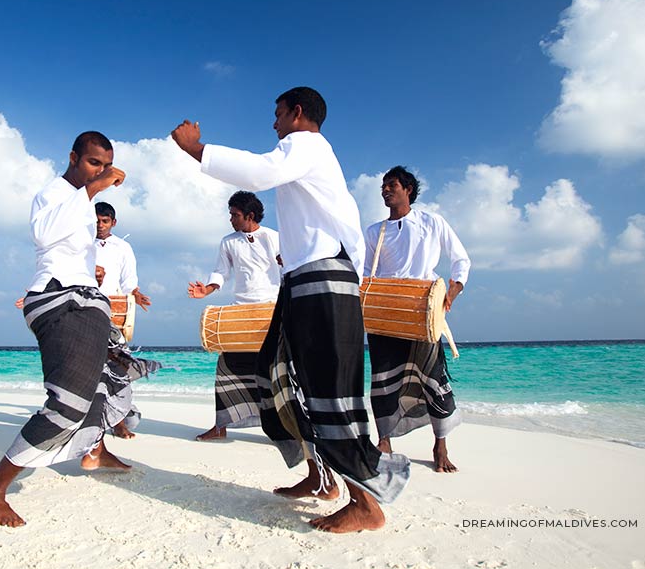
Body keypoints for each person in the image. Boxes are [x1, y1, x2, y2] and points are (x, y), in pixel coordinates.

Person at [171, 87, 409, 533]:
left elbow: (260, 171)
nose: (274, 122)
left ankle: (365, 503)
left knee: (329, 388)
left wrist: (196, 149)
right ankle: (321, 478)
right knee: (279, 376)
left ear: (298, 113)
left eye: (278, 114)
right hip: (302, 281)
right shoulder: (303, 155)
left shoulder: (307, 144)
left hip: (323, 279)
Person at [0, 131, 152, 529]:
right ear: (73, 158)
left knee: (106, 381)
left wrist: (91, 270)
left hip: (87, 299)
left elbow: (67, 249)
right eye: (93, 163)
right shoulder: (54, 193)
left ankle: (95, 450)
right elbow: (45, 235)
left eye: (106, 166)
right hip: (59, 300)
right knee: (67, 403)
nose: (100, 171)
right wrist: (95, 188)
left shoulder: (82, 203)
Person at [363, 166, 470, 473]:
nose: (385, 190)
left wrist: (454, 289)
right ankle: (384, 440)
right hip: (384, 312)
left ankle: (440, 444)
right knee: (383, 379)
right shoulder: (375, 231)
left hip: (422, 311)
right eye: (383, 186)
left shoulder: (431, 222)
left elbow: (461, 258)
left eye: (392, 185)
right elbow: (366, 272)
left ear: (408, 189)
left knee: (433, 377)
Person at [188, 190, 280, 441]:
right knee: (226, 368)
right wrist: (206, 290)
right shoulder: (228, 241)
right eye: (230, 214)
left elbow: (289, 267)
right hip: (240, 311)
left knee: (275, 373)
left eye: (235, 215)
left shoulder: (273, 237)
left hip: (270, 310)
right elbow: (221, 272)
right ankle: (221, 426)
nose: (230, 219)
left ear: (250, 215)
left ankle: (283, 430)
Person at [93, 201, 151, 440]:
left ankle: (118, 421)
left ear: (113, 223)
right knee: (88, 369)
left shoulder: (123, 247)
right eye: (96, 221)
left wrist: (136, 294)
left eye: (105, 221)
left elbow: (129, 282)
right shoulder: (79, 243)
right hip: (84, 309)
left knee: (117, 368)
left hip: (113, 312)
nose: (100, 225)